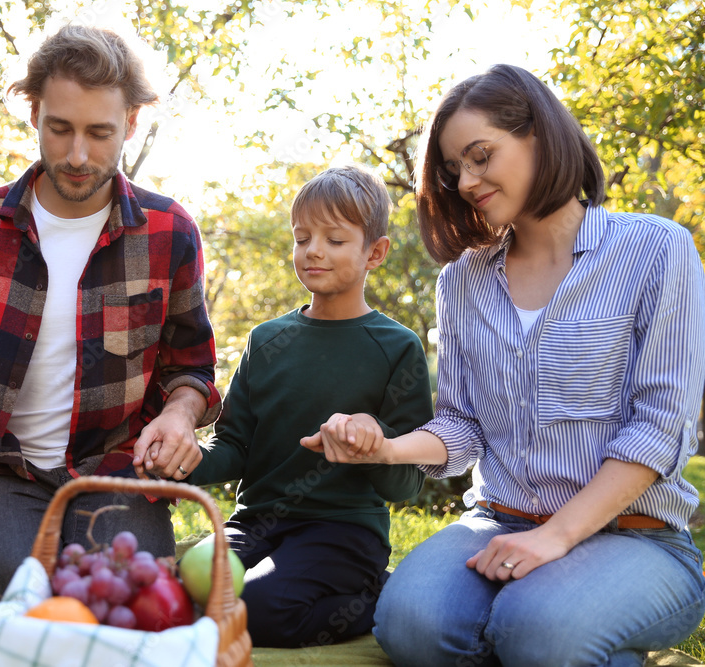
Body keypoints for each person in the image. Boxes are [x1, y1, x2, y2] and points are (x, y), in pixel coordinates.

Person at [302, 64, 705, 666]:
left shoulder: (656, 250)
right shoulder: (462, 281)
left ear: (539, 135)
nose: (465, 181)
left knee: (534, 628)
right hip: (499, 519)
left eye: (480, 155)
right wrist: (382, 447)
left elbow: (660, 430)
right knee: (409, 623)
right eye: (453, 168)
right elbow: (463, 427)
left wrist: (555, 537)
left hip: (638, 537)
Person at [0, 24, 221, 610]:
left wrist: (181, 416)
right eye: (60, 128)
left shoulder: (169, 232)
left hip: (118, 468)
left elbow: (192, 368)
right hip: (5, 469)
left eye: (100, 133)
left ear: (131, 123)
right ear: (33, 112)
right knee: (0, 593)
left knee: (125, 600)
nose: (78, 155)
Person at [186, 165, 434, 648]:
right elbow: (235, 445)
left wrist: (375, 444)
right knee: (188, 593)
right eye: (303, 238)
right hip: (255, 523)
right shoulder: (267, 339)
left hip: (342, 533)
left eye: (335, 239)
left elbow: (406, 483)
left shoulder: (397, 347)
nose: (314, 250)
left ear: (374, 253)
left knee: (258, 609)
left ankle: (380, 593)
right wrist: (185, 462)